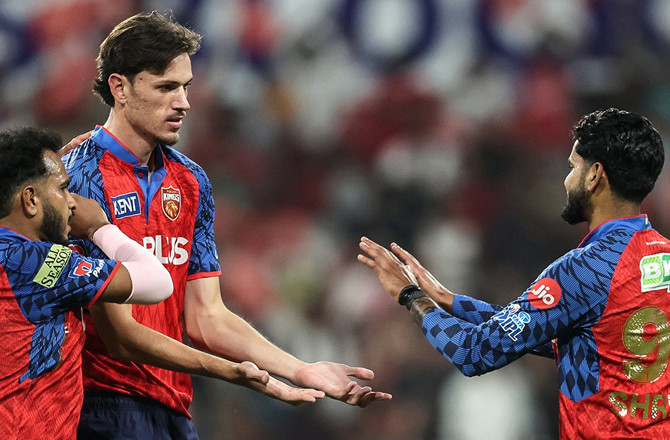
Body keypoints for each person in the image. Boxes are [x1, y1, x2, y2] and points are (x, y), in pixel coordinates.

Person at [62, 11, 390, 439]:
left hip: (173, 407)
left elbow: (205, 315)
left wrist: (299, 369)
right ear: (119, 88)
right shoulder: (78, 178)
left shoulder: (190, 180)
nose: (184, 102)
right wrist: (235, 372)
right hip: (100, 405)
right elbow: (120, 335)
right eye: (166, 87)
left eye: (186, 86)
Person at [358, 108, 670, 439]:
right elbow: (576, 340)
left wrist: (409, 295)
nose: (566, 180)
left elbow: (472, 352)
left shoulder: (582, 270)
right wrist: (447, 299)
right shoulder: (662, 254)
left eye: (572, 167)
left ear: (594, 175)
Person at [0, 126, 175, 439]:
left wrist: (45, 176)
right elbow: (158, 281)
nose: (72, 202)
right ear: (30, 199)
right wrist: (101, 228)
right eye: (64, 188)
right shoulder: (36, 264)